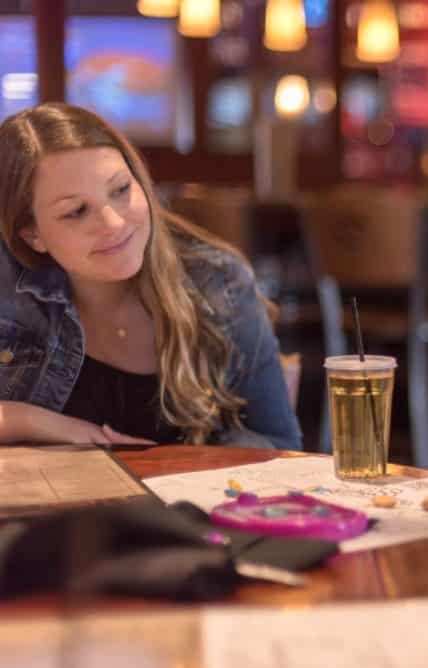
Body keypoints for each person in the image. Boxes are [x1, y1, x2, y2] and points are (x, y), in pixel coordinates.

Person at [0, 103, 301, 450]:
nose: (113, 223)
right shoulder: (10, 282)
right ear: (32, 235)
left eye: (121, 189)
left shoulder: (218, 282)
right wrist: (37, 421)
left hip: (191, 503)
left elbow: (279, 446)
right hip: (50, 504)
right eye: (76, 212)